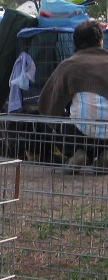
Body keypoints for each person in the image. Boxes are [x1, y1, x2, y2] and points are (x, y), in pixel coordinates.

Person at [39, 19, 108, 169]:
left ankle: (75, 152)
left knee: (53, 117)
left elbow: (48, 102)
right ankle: (104, 153)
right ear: (100, 41)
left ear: (75, 42)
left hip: (78, 134)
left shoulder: (68, 65)